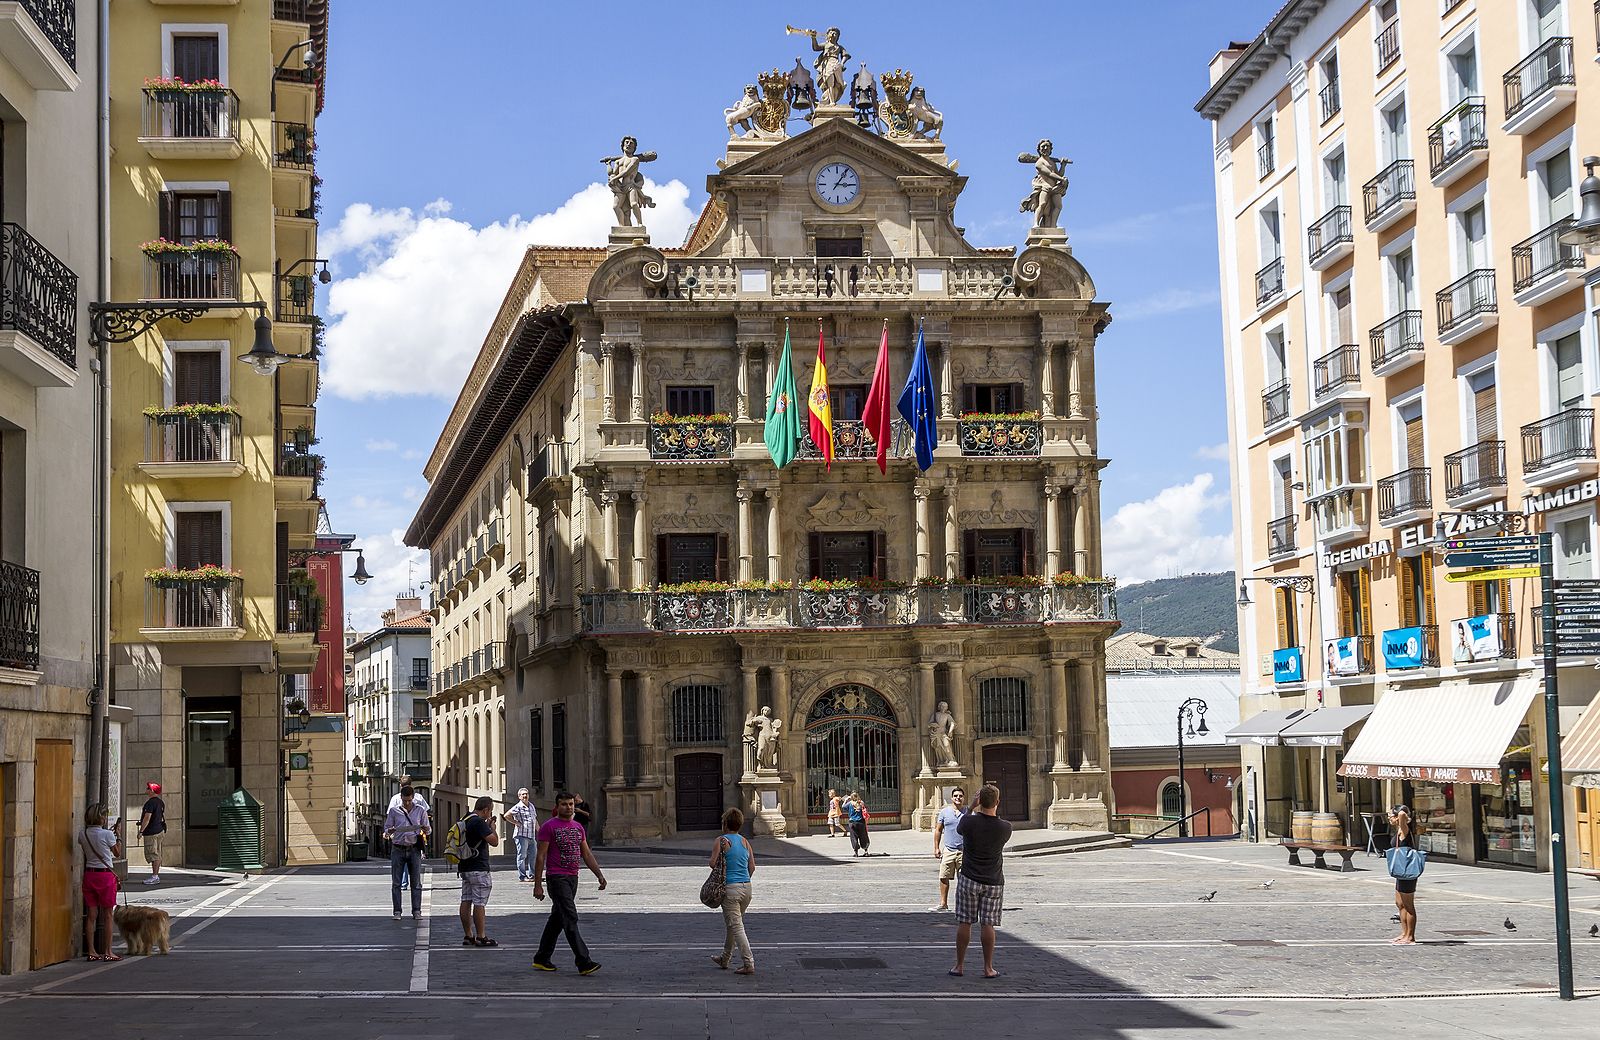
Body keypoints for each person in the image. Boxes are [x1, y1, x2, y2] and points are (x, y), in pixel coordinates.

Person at [532, 791, 608, 974]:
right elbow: (540, 856)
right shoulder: (549, 827)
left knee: (557, 920)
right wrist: (537, 884)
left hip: (573, 877)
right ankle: (584, 961)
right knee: (570, 917)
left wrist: (599, 874)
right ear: (557, 807)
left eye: (571, 804)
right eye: (564, 804)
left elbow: (587, 854)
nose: (568, 807)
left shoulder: (578, 827)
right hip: (557, 878)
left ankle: (542, 958)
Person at [950, 784, 1012, 979]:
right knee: (988, 924)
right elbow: (995, 821)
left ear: (979, 802)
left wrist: (971, 807)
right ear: (998, 802)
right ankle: (988, 968)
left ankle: (959, 966)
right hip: (993, 881)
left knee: (965, 922)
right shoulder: (1005, 828)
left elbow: (960, 826)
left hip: (969, 878)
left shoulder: (969, 822)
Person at [709, 807, 757, 975]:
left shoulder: (721, 840)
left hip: (730, 889)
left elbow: (713, 863)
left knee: (736, 927)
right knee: (733, 925)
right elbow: (752, 866)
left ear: (725, 824)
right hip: (746, 888)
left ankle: (748, 962)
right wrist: (744, 880)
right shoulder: (745, 842)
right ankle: (725, 958)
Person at [80, 803, 123, 962]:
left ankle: (91, 951)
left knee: (91, 915)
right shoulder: (107, 835)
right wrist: (118, 835)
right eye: (104, 815)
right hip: (105, 876)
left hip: (89, 875)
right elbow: (117, 853)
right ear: (101, 817)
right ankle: (108, 951)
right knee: (108, 915)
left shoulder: (82, 834)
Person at [457, 796, 500, 947]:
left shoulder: (466, 818)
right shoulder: (479, 822)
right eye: (490, 811)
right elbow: (494, 841)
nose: (489, 814)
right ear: (486, 809)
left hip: (465, 867)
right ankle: (481, 936)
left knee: (466, 900)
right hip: (479, 868)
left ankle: (468, 935)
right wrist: (492, 829)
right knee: (479, 903)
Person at [384, 786, 430, 920]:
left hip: (414, 848)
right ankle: (397, 912)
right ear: (401, 799)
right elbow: (386, 828)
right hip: (397, 848)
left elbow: (428, 830)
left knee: (416, 883)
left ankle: (417, 911)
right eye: (405, 801)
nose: (407, 803)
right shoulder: (394, 811)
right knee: (396, 883)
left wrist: (426, 829)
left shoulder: (420, 810)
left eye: (409, 800)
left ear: (413, 798)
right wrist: (390, 831)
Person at [930, 787, 967, 912]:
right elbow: (938, 830)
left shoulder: (969, 813)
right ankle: (943, 903)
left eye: (960, 796)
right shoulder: (944, 812)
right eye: (956, 796)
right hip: (948, 850)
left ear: (964, 798)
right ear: (952, 798)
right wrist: (936, 847)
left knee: (964, 880)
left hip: (964, 852)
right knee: (943, 877)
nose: (958, 798)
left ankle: (964, 905)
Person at [1389, 804, 1419, 945]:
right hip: (1400, 872)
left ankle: (1410, 936)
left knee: (1408, 906)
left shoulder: (1404, 830)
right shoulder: (1399, 831)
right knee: (1400, 904)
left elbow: (1402, 814)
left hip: (1408, 871)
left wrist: (1402, 812)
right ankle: (1403, 933)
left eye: (1390, 816)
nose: (1389, 818)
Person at [504, 788, 539, 882]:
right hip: (521, 835)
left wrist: (540, 830)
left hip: (531, 835)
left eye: (526, 794)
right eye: (523, 794)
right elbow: (506, 815)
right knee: (522, 856)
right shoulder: (518, 806)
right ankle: (522, 876)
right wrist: (516, 822)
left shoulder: (531, 806)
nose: (525, 796)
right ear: (519, 797)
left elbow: (534, 820)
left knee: (533, 855)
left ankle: (532, 875)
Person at [136, 781, 167, 886]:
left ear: (152, 790)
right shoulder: (160, 802)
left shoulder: (150, 803)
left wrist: (141, 831)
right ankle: (155, 875)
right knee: (157, 853)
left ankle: (155, 876)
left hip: (151, 832)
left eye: (148, 788)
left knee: (153, 854)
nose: (146, 789)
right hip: (160, 830)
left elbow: (147, 818)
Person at [846, 792, 870, 857]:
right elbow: (865, 809)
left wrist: (846, 800)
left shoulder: (849, 803)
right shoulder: (861, 802)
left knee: (853, 837)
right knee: (863, 836)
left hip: (852, 822)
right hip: (861, 822)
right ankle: (866, 851)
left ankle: (856, 852)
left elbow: (843, 807)